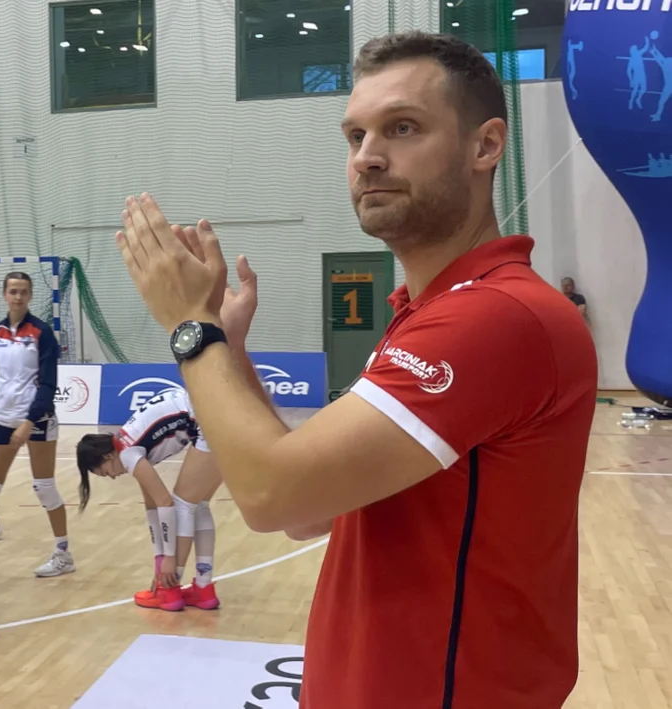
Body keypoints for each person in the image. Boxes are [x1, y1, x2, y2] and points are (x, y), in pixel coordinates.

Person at [113, 31, 597, 708]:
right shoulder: (425, 314)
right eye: (355, 135)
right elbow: (311, 513)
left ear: (486, 146)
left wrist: (191, 330)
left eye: (402, 128)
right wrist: (231, 349)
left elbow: (272, 497)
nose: (368, 156)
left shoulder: (498, 316)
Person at [0, 272, 72, 577]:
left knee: (44, 487)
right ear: (4, 295)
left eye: (23, 291)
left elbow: (48, 384)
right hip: (4, 420)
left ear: (30, 295)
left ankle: (63, 554)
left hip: (38, 420)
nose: (18, 297)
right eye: (13, 291)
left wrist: (29, 421)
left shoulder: (42, 333)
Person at [75, 387, 220, 612]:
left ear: (107, 456)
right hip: (218, 416)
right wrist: (160, 559)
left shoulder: (127, 453)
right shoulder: (127, 445)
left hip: (209, 421)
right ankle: (203, 589)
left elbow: (165, 503)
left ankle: (169, 590)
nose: (112, 477)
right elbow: (152, 507)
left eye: (105, 472)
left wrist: (169, 560)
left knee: (182, 504)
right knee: (199, 505)